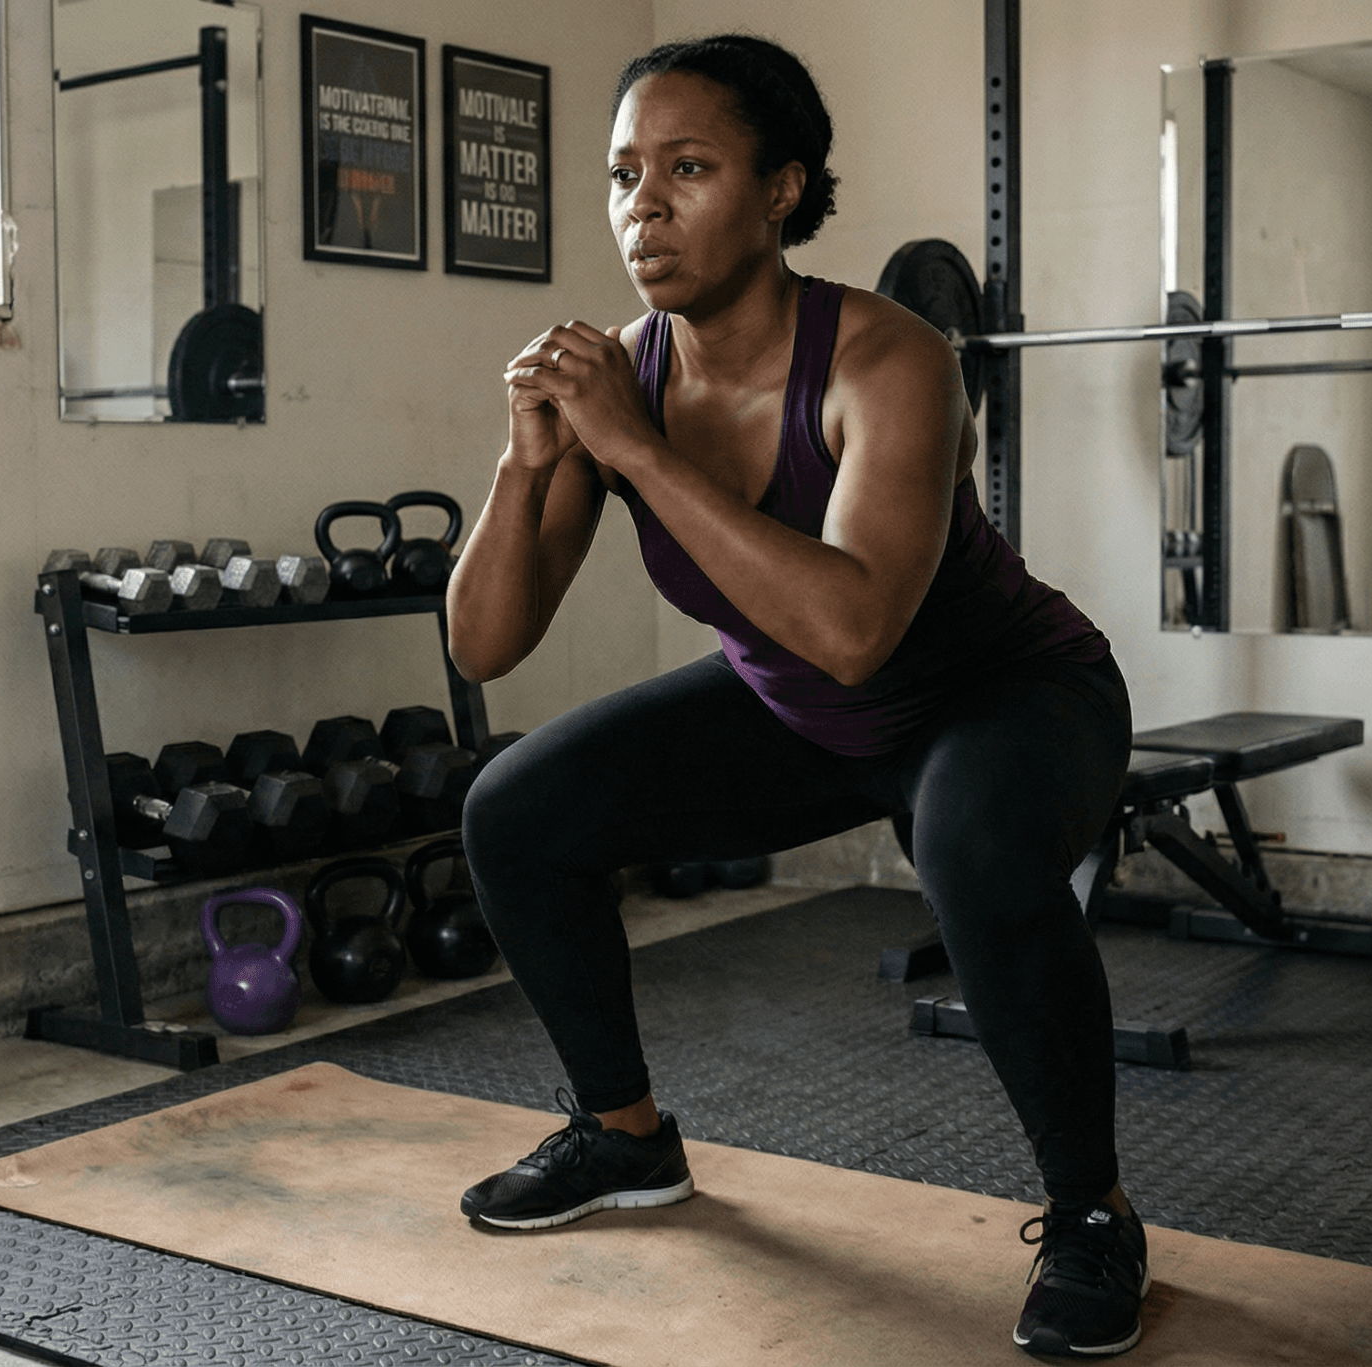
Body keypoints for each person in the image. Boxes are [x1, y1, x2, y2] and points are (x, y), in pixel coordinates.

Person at [443, 33, 1148, 1359]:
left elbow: (855, 624)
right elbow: (485, 644)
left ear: (782, 190)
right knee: (513, 811)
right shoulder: (621, 384)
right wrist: (524, 457)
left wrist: (635, 450)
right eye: (623, 175)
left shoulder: (893, 361)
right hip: (804, 711)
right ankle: (625, 1134)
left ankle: (1092, 1210)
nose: (643, 206)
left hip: (1005, 698)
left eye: (689, 168)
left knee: (974, 845)